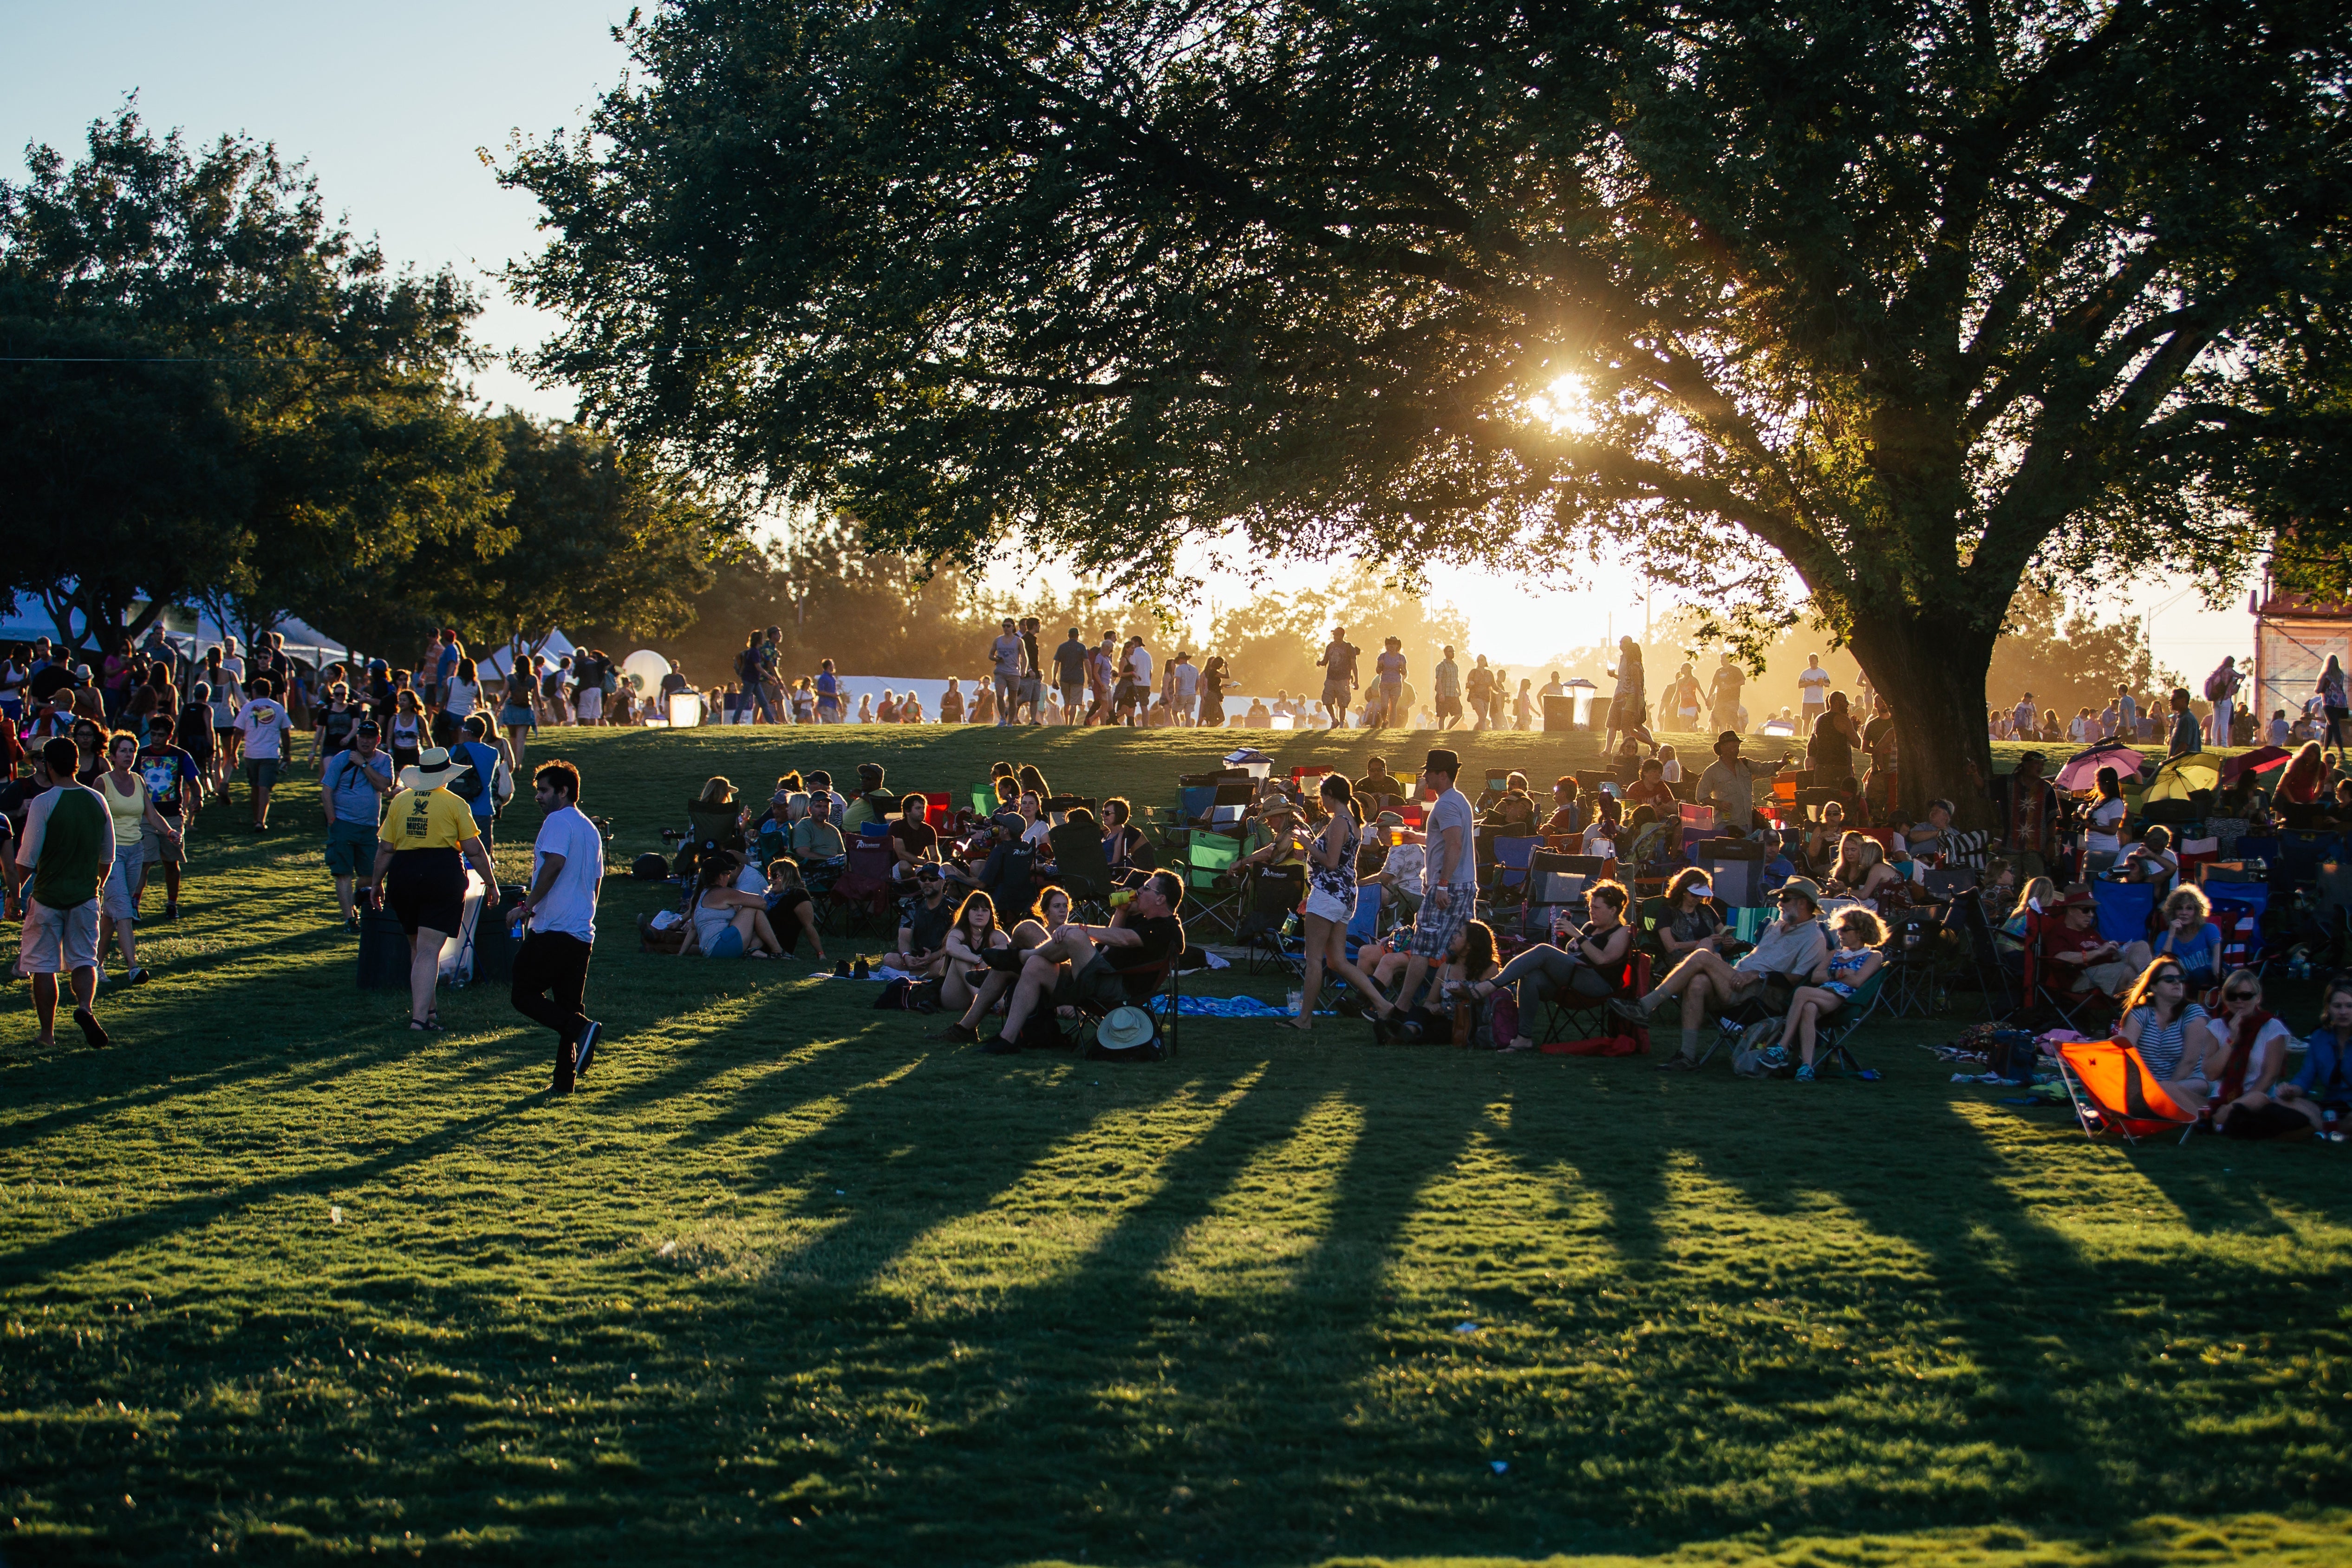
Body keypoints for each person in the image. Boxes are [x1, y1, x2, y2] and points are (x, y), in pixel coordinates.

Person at [1622, 878, 1831, 1070]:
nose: (1779, 903)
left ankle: (1646, 1006)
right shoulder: (1777, 927)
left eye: (1785, 899)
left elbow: (1800, 978)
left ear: (1803, 903)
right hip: (1739, 981)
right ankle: (1687, 1056)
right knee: (1698, 982)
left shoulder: (1814, 938)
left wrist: (1757, 975)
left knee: (1703, 955)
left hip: (1765, 995)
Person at [976, 869, 1186, 1054]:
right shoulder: (1145, 921)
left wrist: (1081, 929)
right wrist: (1121, 912)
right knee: (1035, 966)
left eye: (1147, 888)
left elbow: (1124, 939)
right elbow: (1108, 947)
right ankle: (1007, 1039)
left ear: (1161, 899)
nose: (1140, 891)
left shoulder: (1166, 928)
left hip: (1117, 989)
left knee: (1074, 936)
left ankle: (1019, 957)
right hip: (1099, 978)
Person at [371, 748, 499, 1031]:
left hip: (403, 873)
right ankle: (420, 1020)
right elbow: (475, 851)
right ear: (446, 775)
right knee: (430, 950)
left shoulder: (401, 802)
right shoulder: (454, 803)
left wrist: (376, 882)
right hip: (441, 873)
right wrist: (490, 882)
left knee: (417, 947)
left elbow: (386, 848)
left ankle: (430, 1012)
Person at [511, 760, 607, 1092]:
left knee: (523, 993)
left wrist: (527, 906)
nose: (538, 797)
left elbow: (553, 865)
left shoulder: (557, 820)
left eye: (543, 790)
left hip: (554, 928)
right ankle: (564, 1082)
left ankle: (581, 1029)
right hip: (581, 929)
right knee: (567, 1004)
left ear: (563, 792)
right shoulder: (589, 828)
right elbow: (596, 882)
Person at [15, 738, 114, 1048]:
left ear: (49, 765)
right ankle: (85, 1007)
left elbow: (27, 858)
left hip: (47, 896)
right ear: (76, 763)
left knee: (43, 965)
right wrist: (95, 884)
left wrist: (11, 891)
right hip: (85, 894)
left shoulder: (45, 802)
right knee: (85, 960)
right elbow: (108, 855)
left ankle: (47, 1035)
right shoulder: (97, 799)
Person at [1465, 880, 1635, 1051]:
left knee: (1544, 951)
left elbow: (1603, 960)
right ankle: (1524, 1038)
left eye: (1597, 908)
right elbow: (1573, 954)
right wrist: (1565, 939)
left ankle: (1493, 984)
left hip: (1598, 984)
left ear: (1613, 910)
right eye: (1591, 907)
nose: (1592, 912)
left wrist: (1576, 934)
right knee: (1530, 977)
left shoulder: (1622, 932)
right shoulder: (1590, 928)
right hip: (1573, 980)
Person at [1284, 775, 1396, 1033]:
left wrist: (1307, 844)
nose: (1322, 801)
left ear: (1332, 795)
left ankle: (1304, 1019)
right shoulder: (1355, 823)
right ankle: (1381, 1004)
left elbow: (1331, 862)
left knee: (1312, 958)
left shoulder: (1338, 823)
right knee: (1337, 962)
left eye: (1323, 796)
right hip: (1343, 896)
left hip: (1329, 895)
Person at [1390, 748, 1477, 1017]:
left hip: (1449, 886)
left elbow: (1454, 844)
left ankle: (1403, 1007)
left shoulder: (1446, 804)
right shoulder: (1458, 800)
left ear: (1443, 774)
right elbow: (1445, 841)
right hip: (1463, 883)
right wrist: (1416, 837)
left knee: (1421, 946)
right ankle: (1446, 1005)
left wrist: (1442, 884)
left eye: (1429, 772)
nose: (1425, 776)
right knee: (1460, 949)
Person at [1759, 906, 1886, 1080]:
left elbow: (1857, 982)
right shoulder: (1834, 954)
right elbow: (1817, 977)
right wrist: (1840, 975)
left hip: (1845, 1002)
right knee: (1809, 1008)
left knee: (1803, 992)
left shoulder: (1873, 956)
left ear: (1862, 932)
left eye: (1846, 929)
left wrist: (1835, 977)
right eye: (1839, 928)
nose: (1839, 933)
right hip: (1821, 996)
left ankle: (1782, 1046)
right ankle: (1807, 1067)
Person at [95, 731, 180, 985]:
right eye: (123, 751)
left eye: (132, 751)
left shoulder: (139, 780)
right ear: (112, 755)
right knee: (124, 911)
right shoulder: (102, 783)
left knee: (112, 912)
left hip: (135, 851)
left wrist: (170, 831)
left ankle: (95, 965)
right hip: (111, 853)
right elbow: (93, 819)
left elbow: (151, 814)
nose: (128, 755)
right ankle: (133, 967)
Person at [2172, 968, 2293, 1126]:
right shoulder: (2216, 1027)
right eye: (2232, 996)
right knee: (2167, 1088)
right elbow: (2211, 1074)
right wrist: (2231, 1040)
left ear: (2258, 998)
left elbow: (2269, 1077)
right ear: (2225, 998)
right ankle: (2216, 1118)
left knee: (2257, 1099)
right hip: (2219, 1099)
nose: (2239, 1001)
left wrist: (2238, 1103)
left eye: (2246, 996)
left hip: (2256, 1099)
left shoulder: (2272, 1028)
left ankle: (2213, 1119)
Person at [322, 721, 394, 930]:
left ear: (378, 740)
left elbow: (383, 785)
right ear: (357, 738)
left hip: (370, 826)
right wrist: (332, 819)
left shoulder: (384, 760)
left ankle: (355, 905)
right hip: (343, 823)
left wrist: (363, 764)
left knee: (371, 874)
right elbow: (327, 790)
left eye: (370, 737)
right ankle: (350, 918)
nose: (365, 740)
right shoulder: (342, 758)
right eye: (362, 736)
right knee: (343, 872)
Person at [135, 712, 202, 919]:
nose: (156, 739)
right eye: (153, 734)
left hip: (172, 817)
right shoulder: (139, 754)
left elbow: (194, 782)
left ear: (170, 736)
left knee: (171, 863)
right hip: (145, 816)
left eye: (160, 735)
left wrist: (198, 799)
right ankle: (134, 905)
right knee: (144, 862)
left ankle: (172, 904)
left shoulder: (181, 756)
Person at [685, 850, 785, 958]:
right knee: (753, 910)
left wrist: (681, 953)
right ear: (721, 876)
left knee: (754, 912)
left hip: (708, 950)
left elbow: (693, 929)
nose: (729, 877)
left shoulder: (699, 895)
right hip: (722, 948)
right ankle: (777, 951)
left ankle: (756, 951)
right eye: (728, 874)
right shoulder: (724, 892)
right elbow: (762, 903)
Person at [2041, 887, 2137, 999]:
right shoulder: (2059, 932)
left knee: (2140, 946)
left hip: (2105, 972)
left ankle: (2148, 977)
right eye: (2086, 910)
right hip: (2082, 978)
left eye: (2093, 910)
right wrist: (2098, 952)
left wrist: (2115, 952)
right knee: (2130, 971)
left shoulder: (2090, 932)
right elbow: (2060, 957)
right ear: (2071, 910)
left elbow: (2106, 956)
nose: (2091, 915)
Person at [232, 675, 293, 832]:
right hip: (271, 754)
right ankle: (260, 820)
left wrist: (233, 752)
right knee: (264, 787)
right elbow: (286, 733)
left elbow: (238, 732)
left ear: (254, 691)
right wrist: (287, 753)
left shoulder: (248, 707)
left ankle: (256, 819)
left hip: (251, 753)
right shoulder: (278, 708)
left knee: (255, 787)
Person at [1697, 730, 1778, 830]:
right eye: (1732, 748)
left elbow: (1764, 769)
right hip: (1725, 826)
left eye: (1737, 747)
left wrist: (1783, 763)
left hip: (1747, 823)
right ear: (1722, 749)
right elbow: (1701, 796)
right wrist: (1718, 804)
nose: (1736, 750)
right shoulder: (1712, 771)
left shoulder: (1746, 765)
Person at [887, 862, 958, 976]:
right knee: (889, 959)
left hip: (941, 956)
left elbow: (956, 942)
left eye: (933, 879)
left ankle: (909, 974)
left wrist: (932, 958)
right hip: (918, 956)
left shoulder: (954, 908)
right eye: (923, 879)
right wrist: (907, 956)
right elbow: (904, 938)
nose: (927, 882)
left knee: (946, 964)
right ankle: (922, 973)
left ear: (943, 882)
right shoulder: (912, 907)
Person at [1052, 628, 1090, 721]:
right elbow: (1087, 663)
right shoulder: (1081, 647)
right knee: (1074, 703)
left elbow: (1056, 663)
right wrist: (1090, 677)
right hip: (1078, 679)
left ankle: (1066, 723)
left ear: (1068, 636)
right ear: (1078, 636)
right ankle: (1071, 724)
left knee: (1067, 703)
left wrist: (1054, 679)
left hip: (1065, 678)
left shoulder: (1062, 647)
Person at [1431, 646, 1463, 729]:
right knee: (1442, 716)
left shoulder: (1455, 666)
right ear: (1445, 653)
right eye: (1450, 651)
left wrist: (1459, 690)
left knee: (1459, 714)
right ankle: (1442, 732)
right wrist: (1441, 694)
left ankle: (1448, 729)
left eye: (1453, 651)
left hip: (1453, 695)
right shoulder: (1441, 666)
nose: (1452, 653)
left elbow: (1456, 679)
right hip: (1444, 694)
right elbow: (1439, 681)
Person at [2166, 686, 2202, 758]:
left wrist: (2170, 762)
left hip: (2184, 765)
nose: (2170, 702)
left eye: (2173, 700)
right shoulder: (2181, 718)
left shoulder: (2187, 719)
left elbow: (2183, 746)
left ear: (2183, 700)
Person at [1198, 655, 1230, 728]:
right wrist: (1226, 667)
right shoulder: (1214, 672)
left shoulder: (1212, 672)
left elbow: (1212, 685)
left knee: (1213, 715)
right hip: (1213, 696)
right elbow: (1227, 676)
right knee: (1220, 716)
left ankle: (1211, 726)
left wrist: (1222, 686)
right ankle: (1211, 726)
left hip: (1213, 695)